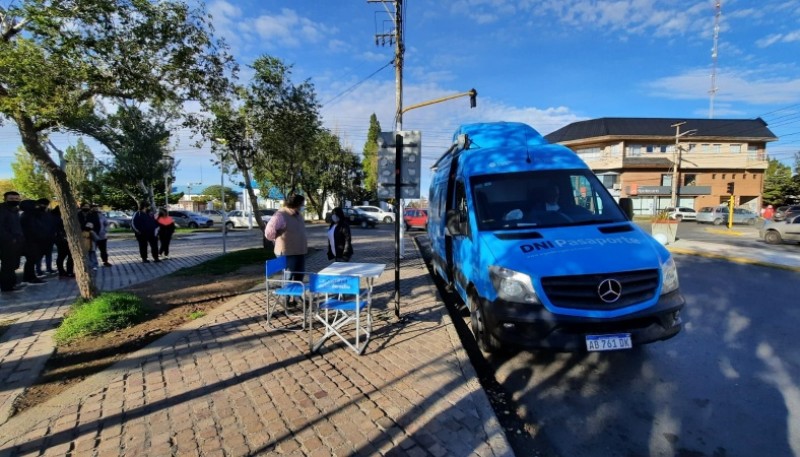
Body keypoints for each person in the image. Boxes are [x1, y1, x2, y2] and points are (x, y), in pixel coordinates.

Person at [264, 193, 308, 281]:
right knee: (289, 276)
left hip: (300, 251)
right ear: (296, 204)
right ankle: (286, 294)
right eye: (302, 203)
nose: (303, 206)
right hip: (287, 252)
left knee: (300, 275)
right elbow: (269, 232)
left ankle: (296, 294)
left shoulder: (298, 214)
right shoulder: (281, 214)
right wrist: (276, 240)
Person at [20, 198, 51, 285]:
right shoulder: (27, 216)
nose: (38, 207)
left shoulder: (31, 215)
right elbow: (31, 229)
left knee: (32, 260)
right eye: (35, 205)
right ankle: (30, 277)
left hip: (34, 242)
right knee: (31, 260)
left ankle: (29, 277)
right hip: (31, 242)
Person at [0, 191, 25, 292]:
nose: (14, 201)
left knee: (13, 265)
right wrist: (10, 239)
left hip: (16, 242)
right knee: (7, 265)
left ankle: (12, 284)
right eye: (11, 199)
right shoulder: (2, 210)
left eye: (16, 199)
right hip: (6, 243)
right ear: (5, 199)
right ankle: (7, 287)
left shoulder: (14, 210)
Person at [51, 206, 74, 278]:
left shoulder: (54, 217)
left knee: (62, 256)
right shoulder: (58, 217)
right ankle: (67, 271)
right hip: (62, 239)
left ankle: (63, 272)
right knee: (65, 256)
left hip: (61, 239)